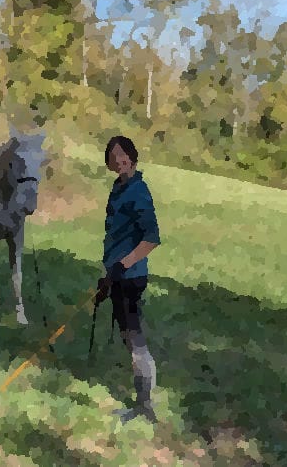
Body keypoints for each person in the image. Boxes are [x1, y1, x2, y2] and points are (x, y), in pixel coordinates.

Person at [96, 135, 161, 424]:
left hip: (131, 276)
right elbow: (116, 236)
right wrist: (106, 278)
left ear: (132, 156)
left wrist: (123, 265)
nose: (118, 160)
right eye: (113, 156)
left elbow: (152, 239)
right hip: (117, 275)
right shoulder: (119, 187)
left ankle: (144, 406)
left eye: (122, 154)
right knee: (129, 338)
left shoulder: (139, 190)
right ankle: (142, 402)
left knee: (135, 341)